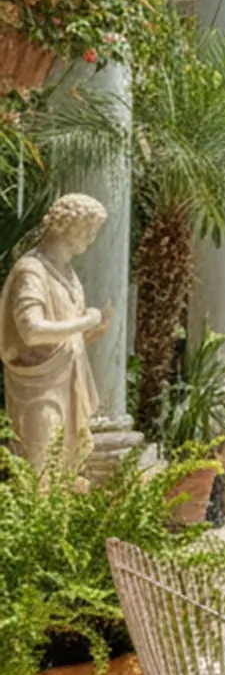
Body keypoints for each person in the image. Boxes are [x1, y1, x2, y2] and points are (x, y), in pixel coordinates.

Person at [0, 193, 110, 468]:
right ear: (71, 227)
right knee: (41, 463)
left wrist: (92, 330)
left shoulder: (66, 272)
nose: (92, 239)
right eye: (90, 230)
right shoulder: (32, 271)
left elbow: (64, 333)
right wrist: (84, 323)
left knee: (65, 464)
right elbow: (32, 331)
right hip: (38, 384)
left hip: (68, 378)